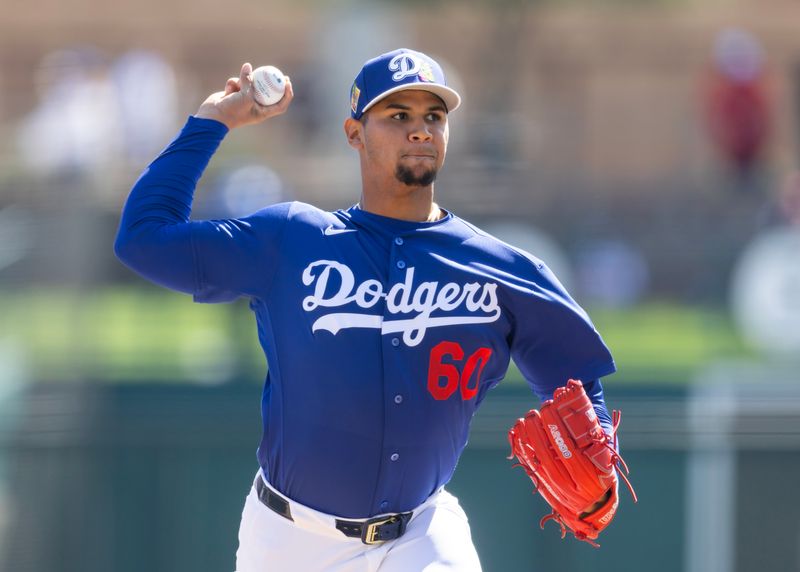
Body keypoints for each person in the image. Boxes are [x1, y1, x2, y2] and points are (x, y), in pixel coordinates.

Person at [115, 48, 617, 572]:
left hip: (422, 535)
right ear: (354, 133)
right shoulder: (292, 240)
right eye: (398, 116)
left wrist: (600, 440)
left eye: (433, 116)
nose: (420, 130)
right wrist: (212, 121)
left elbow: (576, 378)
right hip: (290, 539)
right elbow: (144, 240)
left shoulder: (499, 269)